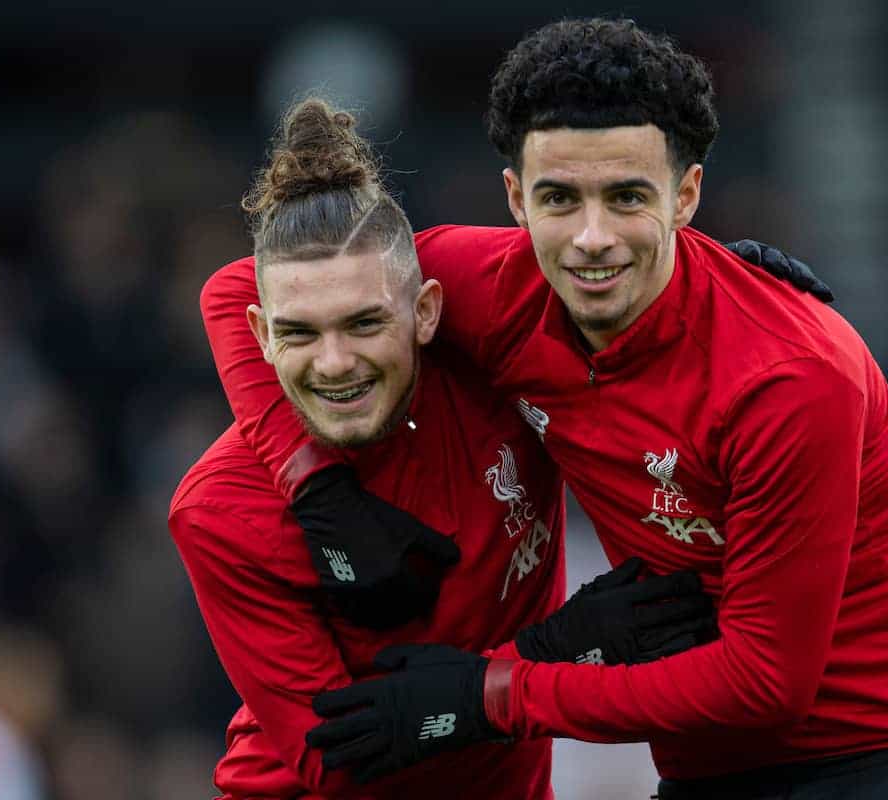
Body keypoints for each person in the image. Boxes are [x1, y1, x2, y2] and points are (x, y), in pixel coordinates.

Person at [200, 18, 888, 799]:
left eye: (628, 197)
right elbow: (246, 286)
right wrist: (317, 486)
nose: (591, 238)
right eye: (561, 199)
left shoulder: (790, 378)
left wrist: (501, 686)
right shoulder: (487, 290)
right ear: (516, 199)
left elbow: (766, 682)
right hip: (707, 772)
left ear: (687, 194)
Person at [169, 97, 718, 799]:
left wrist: (719, 279)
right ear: (261, 333)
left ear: (426, 311)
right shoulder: (219, 511)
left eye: (366, 323)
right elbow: (336, 761)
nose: (334, 362)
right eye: (300, 333)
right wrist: (552, 654)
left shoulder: (503, 371)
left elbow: (612, 267)